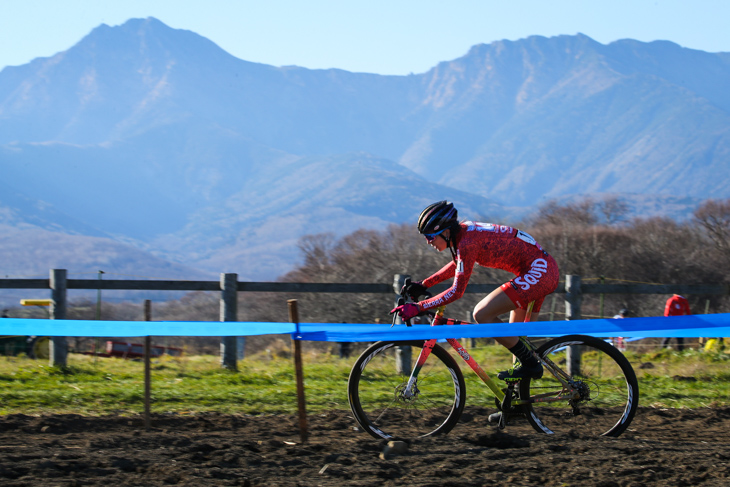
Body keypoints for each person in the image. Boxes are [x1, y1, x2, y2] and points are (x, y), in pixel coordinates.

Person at [391, 200, 560, 381]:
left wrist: (419, 307)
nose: (428, 242)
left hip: (539, 272)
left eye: (430, 237)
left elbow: (457, 291)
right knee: (516, 341)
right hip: (538, 269)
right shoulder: (463, 233)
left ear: (446, 232)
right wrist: (424, 284)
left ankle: (533, 366)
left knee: (482, 314)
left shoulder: (467, 242)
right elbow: (460, 263)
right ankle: (520, 404)